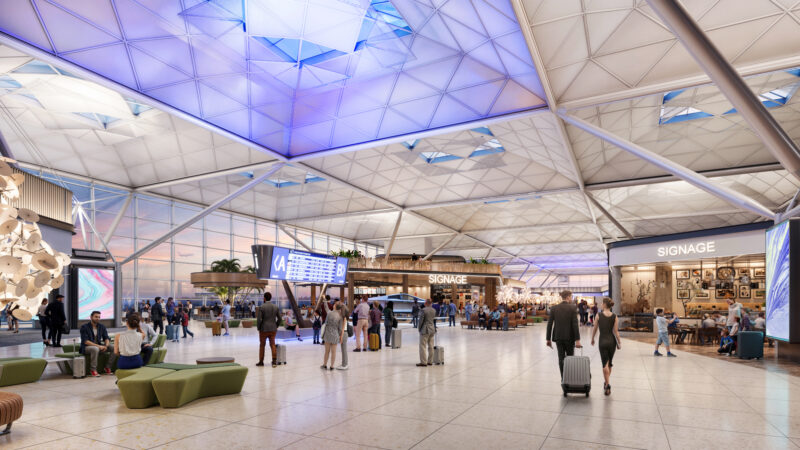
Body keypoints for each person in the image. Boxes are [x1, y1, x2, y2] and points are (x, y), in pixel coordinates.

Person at [546, 290, 582, 376]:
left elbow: (550, 324)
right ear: (568, 297)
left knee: (561, 358)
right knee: (570, 357)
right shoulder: (573, 308)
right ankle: (569, 377)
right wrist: (577, 340)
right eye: (571, 296)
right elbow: (575, 325)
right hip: (570, 338)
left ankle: (563, 378)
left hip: (558, 337)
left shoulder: (554, 308)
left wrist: (548, 339)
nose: (571, 298)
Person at [591, 297, 621, 396]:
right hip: (612, 341)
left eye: (602, 303)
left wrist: (592, 338)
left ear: (604, 304)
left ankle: (607, 385)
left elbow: (595, 328)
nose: (601, 305)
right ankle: (606, 382)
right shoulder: (615, 316)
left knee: (604, 363)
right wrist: (619, 342)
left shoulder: (598, 315)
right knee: (609, 363)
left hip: (602, 341)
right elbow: (616, 331)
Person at [80, 311, 117, 377]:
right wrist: (99, 346)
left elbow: (106, 337)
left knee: (114, 347)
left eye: (99, 317)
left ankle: (107, 367)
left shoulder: (101, 326)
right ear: (91, 317)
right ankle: (93, 370)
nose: (98, 318)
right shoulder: (84, 327)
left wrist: (106, 345)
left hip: (99, 346)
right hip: (87, 347)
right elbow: (85, 341)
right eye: (96, 317)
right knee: (95, 349)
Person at [256, 292, 281, 367]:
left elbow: (259, 320)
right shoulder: (275, 307)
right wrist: (276, 325)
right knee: (272, 344)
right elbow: (280, 318)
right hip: (273, 329)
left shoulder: (262, 307)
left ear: (264, 298)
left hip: (264, 329)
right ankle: (274, 361)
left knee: (262, 345)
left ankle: (261, 361)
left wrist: (258, 327)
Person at [321, 302, 344, 371]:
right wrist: (340, 336)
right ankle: (332, 366)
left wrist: (324, 301)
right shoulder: (340, 316)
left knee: (326, 351)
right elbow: (340, 328)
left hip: (328, 334)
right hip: (335, 334)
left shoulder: (329, 313)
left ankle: (324, 365)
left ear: (335, 306)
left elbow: (326, 322)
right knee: (334, 352)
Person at [417, 299, 437, 367]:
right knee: (431, 346)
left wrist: (419, 329)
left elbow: (421, 321)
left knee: (422, 346)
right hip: (432, 329)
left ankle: (423, 362)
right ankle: (430, 361)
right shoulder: (434, 310)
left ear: (426, 303)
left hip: (425, 330)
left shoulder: (423, 310)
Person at [335, 298, 350, 370]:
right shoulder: (344, 316)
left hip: (343, 334)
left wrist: (341, 335)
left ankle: (345, 365)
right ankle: (344, 363)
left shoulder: (343, 317)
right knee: (343, 350)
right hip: (344, 334)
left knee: (344, 350)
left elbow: (343, 327)